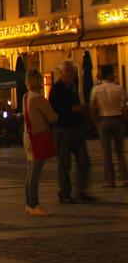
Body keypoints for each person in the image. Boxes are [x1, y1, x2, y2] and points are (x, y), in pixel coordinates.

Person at [50, 60, 93, 203]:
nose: (72, 75)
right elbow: (54, 110)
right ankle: (65, 193)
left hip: (75, 129)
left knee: (84, 161)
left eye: (73, 72)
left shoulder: (72, 88)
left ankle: (81, 191)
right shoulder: (56, 89)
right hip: (62, 129)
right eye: (69, 72)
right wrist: (72, 109)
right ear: (62, 73)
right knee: (64, 163)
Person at [24, 69, 57, 216]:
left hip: (28, 136)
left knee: (30, 171)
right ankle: (34, 204)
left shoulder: (26, 97)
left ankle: (29, 203)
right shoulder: (38, 98)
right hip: (38, 137)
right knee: (35, 173)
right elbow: (53, 117)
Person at [90, 64, 126, 188]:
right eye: (113, 73)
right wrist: (124, 121)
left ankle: (110, 180)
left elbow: (93, 107)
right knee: (120, 151)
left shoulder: (96, 90)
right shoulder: (119, 88)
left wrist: (96, 122)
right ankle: (124, 177)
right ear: (109, 75)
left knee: (106, 153)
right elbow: (124, 107)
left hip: (104, 120)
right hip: (117, 119)